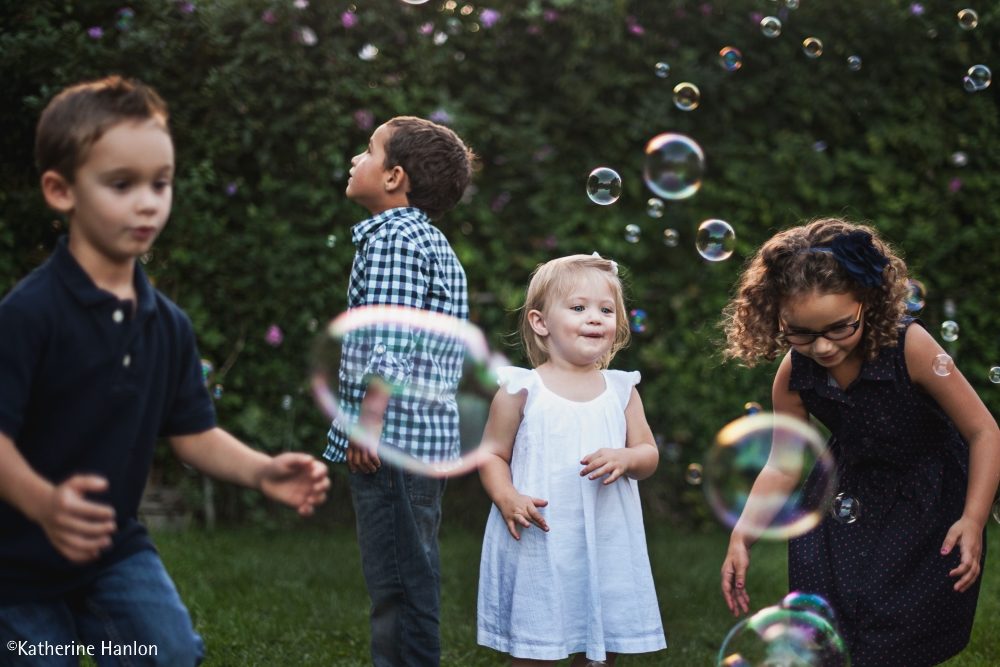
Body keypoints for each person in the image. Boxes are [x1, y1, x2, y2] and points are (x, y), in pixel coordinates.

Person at [0, 76, 330, 666]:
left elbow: (193, 433)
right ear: (60, 190)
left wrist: (261, 471)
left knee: (168, 654)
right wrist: (46, 504)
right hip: (15, 560)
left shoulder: (167, 324)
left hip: (111, 550)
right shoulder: (29, 315)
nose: (149, 201)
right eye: (122, 184)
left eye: (161, 182)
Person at [719, 217, 1000, 666]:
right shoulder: (794, 373)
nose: (823, 347)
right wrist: (743, 534)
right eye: (801, 333)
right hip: (845, 495)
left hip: (925, 495)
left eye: (838, 328)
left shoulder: (911, 346)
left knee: (901, 622)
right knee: (832, 620)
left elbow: (983, 430)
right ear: (776, 317)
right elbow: (782, 464)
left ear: (867, 303)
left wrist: (972, 518)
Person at [323, 116, 475, 666]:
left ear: (394, 177)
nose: (354, 161)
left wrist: (369, 419)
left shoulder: (393, 239)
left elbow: (389, 337)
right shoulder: (426, 240)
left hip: (393, 441)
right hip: (419, 440)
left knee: (399, 585)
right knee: (411, 572)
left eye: (367, 151)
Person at [477, 254, 667, 666]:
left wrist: (627, 457)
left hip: (606, 537)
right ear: (540, 322)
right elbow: (492, 453)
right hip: (541, 539)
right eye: (578, 308)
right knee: (536, 644)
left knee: (602, 642)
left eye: (606, 309)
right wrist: (507, 496)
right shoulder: (522, 389)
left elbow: (648, 454)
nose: (595, 318)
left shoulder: (621, 390)